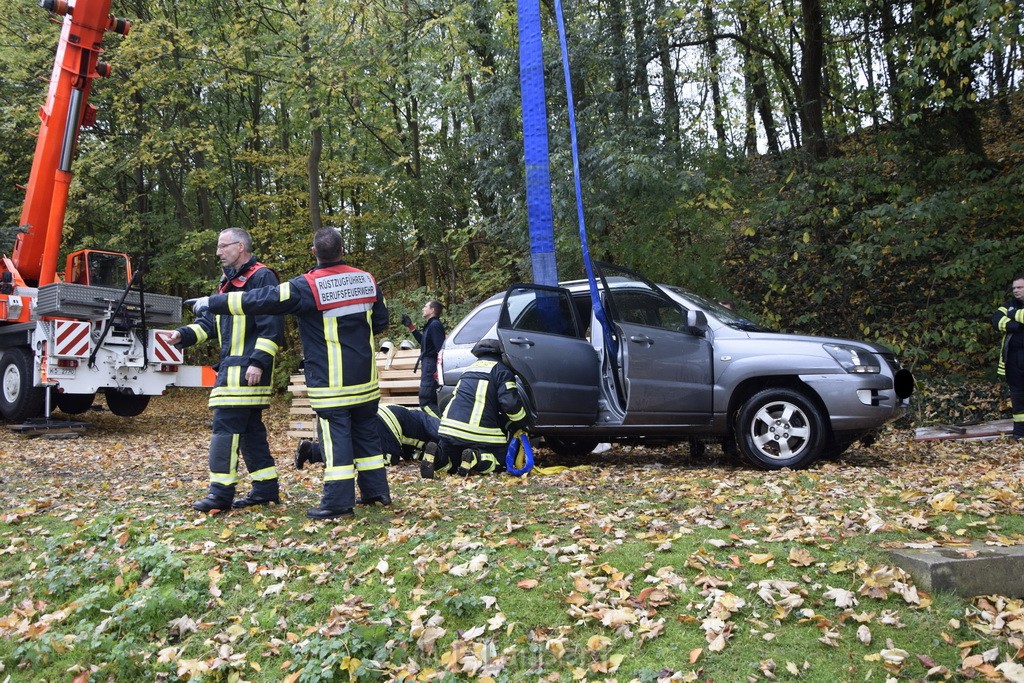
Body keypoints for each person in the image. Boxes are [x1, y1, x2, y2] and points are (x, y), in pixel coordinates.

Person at [196, 227, 391, 520]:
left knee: (336, 441)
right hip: (366, 380)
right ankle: (377, 493)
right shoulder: (367, 279)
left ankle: (338, 502)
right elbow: (380, 322)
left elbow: (263, 299)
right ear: (342, 249)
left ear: (314, 252)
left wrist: (213, 302)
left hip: (332, 384)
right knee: (366, 436)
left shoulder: (307, 285)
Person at [161, 228, 284, 513]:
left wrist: (258, 362)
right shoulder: (227, 282)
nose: (218, 252)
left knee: (224, 429)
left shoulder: (261, 277)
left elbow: (271, 326)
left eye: (222, 246)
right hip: (235, 369)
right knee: (250, 431)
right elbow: (209, 325)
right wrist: (182, 335)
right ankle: (266, 490)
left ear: (241, 247)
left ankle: (220, 495)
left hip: (246, 370)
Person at [421, 338, 527, 478]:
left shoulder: (468, 370)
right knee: (501, 457)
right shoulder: (502, 371)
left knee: (452, 460)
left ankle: (438, 458)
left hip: (449, 429)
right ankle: (476, 458)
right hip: (478, 431)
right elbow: (510, 404)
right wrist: (522, 422)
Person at [295, 403, 440, 472]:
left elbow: (409, 452)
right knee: (385, 460)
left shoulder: (416, 416)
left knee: (358, 447)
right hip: (389, 422)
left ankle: (311, 450)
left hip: (378, 413)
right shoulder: (434, 423)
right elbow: (442, 435)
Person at [993, 275, 1024, 440]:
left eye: (1019, 287)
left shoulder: (1012, 310)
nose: (1016, 291)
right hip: (1013, 359)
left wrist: (1013, 317)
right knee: (1017, 397)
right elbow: (996, 320)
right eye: (1014, 288)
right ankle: (1019, 433)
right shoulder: (1008, 305)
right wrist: (1014, 324)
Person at [402, 301, 446, 417]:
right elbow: (424, 343)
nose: (423, 308)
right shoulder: (431, 325)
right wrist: (411, 327)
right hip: (428, 366)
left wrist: (437, 370)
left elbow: (440, 349)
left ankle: (441, 426)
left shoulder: (435, 325)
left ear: (432, 310)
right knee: (430, 401)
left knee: (426, 402)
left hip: (431, 367)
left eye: (425, 306)